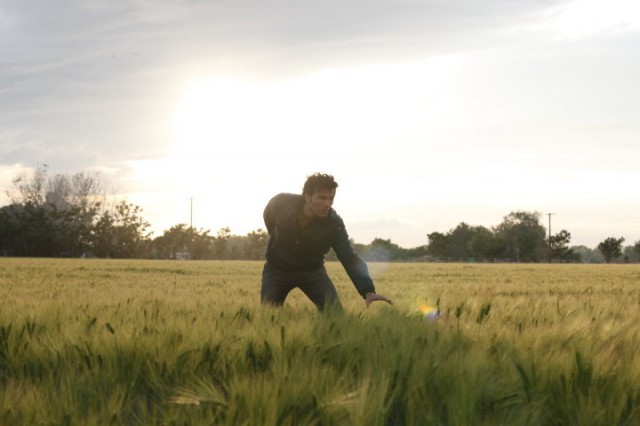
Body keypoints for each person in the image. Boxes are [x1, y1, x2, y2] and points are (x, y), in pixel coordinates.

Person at [261, 172, 392, 312]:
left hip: (312, 273)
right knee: (268, 316)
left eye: (331, 199)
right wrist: (278, 240)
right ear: (307, 197)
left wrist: (368, 290)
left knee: (336, 315)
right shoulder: (281, 203)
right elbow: (269, 218)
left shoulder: (334, 224)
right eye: (322, 198)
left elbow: (348, 256)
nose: (327, 204)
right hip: (277, 270)